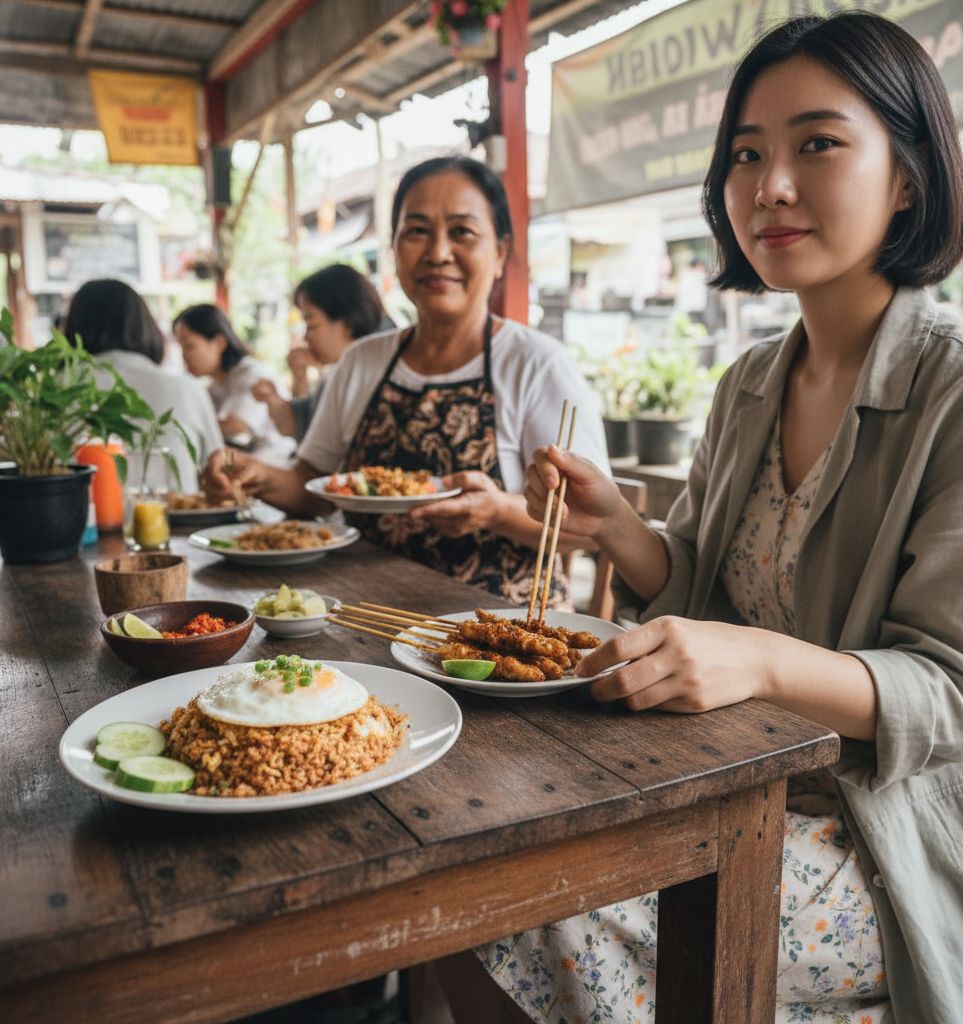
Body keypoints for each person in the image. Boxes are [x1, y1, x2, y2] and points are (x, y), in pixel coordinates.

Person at [441, 12, 963, 1024]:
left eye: (816, 144)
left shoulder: (951, 387)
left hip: (889, 828)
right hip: (730, 779)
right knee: (477, 852)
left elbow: (946, 692)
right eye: (744, 153)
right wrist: (618, 530)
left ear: (906, 175)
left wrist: (763, 664)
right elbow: (713, 593)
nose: (768, 185)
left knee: (525, 901)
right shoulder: (751, 382)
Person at [204, 155, 609, 607]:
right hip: (363, 614)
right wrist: (254, 475)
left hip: (500, 645)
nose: (438, 253)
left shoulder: (537, 364)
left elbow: (587, 529)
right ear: (395, 249)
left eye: (462, 232)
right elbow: (313, 488)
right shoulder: (363, 361)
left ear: (499, 253)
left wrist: (497, 512)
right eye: (417, 231)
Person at [62, 279, 223, 494]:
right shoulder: (188, 389)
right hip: (181, 523)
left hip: (79, 523)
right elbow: (218, 468)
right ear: (145, 325)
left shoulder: (52, 391)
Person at [251, 263, 390, 443]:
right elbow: (297, 426)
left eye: (311, 326)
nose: (306, 337)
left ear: (347, 323)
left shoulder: (371, 378)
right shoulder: (337, 374)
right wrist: (291, 382)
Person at [172, 304, 296, 467]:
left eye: (189, 346)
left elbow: (237, 424)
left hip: (277, 464)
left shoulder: (251, 374)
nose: (184, 356)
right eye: (181, 347)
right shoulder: (214, 386)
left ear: (219, 343)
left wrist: (179, 429)